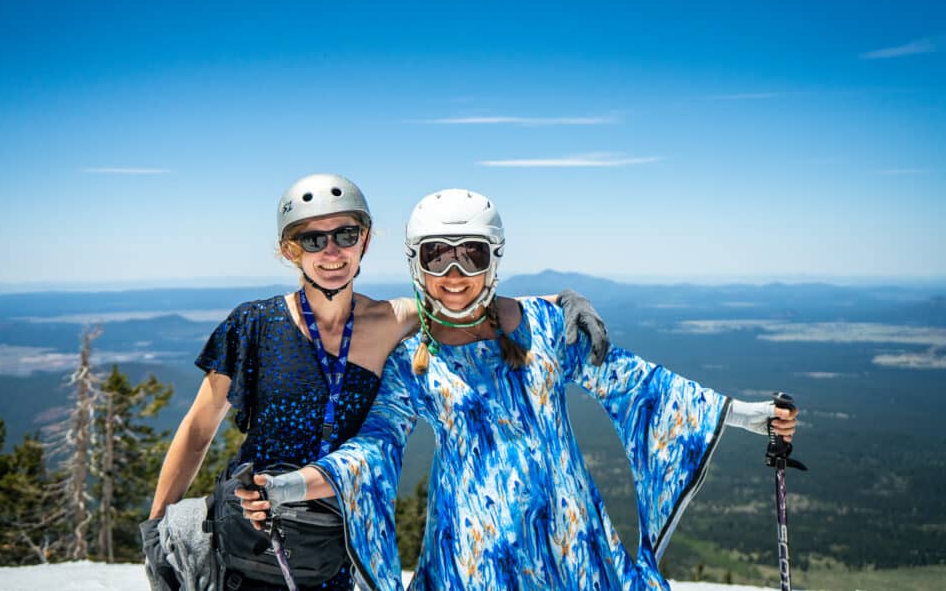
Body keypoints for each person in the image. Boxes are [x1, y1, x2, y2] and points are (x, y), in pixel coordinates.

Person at [239, 188, 799, 591]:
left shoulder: (548, 325)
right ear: (417, 263)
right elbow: (372, 451)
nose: (454, 272)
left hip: (572, 542)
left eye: (471, 254)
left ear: (494, 259)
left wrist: (748, 416)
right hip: (472, 556)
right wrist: (288, 487)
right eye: (438, 254)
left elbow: (638, 384)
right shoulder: (411, 360)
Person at [141, 176, 608, 591]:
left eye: (346, 234)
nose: (332, 251)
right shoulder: (253, 325)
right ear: (290, 250)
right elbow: (200, 429)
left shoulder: (393, 320)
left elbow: (464, 298)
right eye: (313, 238)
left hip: (343, 542)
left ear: (364, 240)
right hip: (251, 532)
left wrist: (559, 300)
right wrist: (158, 522)